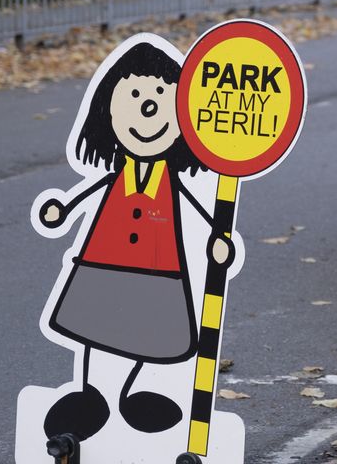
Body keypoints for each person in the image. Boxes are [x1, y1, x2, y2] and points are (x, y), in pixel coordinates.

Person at [32, 39, 232, 440]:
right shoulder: (117, 174)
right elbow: (92, 191)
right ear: (109, 109)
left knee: (149, 330)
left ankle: (130, 395)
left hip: (159, 270)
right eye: (136, 94)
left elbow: (194, 205)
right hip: (103, 260)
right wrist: (64, 211)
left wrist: (218, 237)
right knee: (92, 326)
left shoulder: (169, 181)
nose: (148, 106)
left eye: (160, 94)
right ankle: (89, 394)